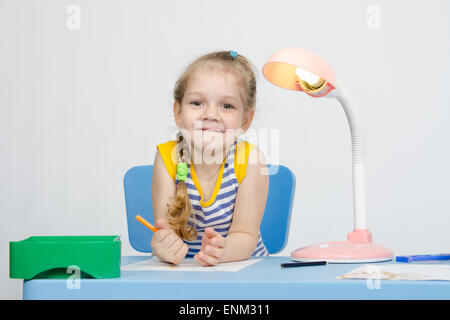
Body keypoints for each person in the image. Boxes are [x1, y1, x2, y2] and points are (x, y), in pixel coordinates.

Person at [151, 50, 269, 266]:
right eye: (197, 103)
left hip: (241, 270)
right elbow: (166, 231)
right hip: (186, 273)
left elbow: (245, 235)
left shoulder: (251, 160)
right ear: (178, 112)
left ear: (245, 120)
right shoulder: (167, 157)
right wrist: (163, 247)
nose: (211, 114)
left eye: (227, 106)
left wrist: (222, 252)